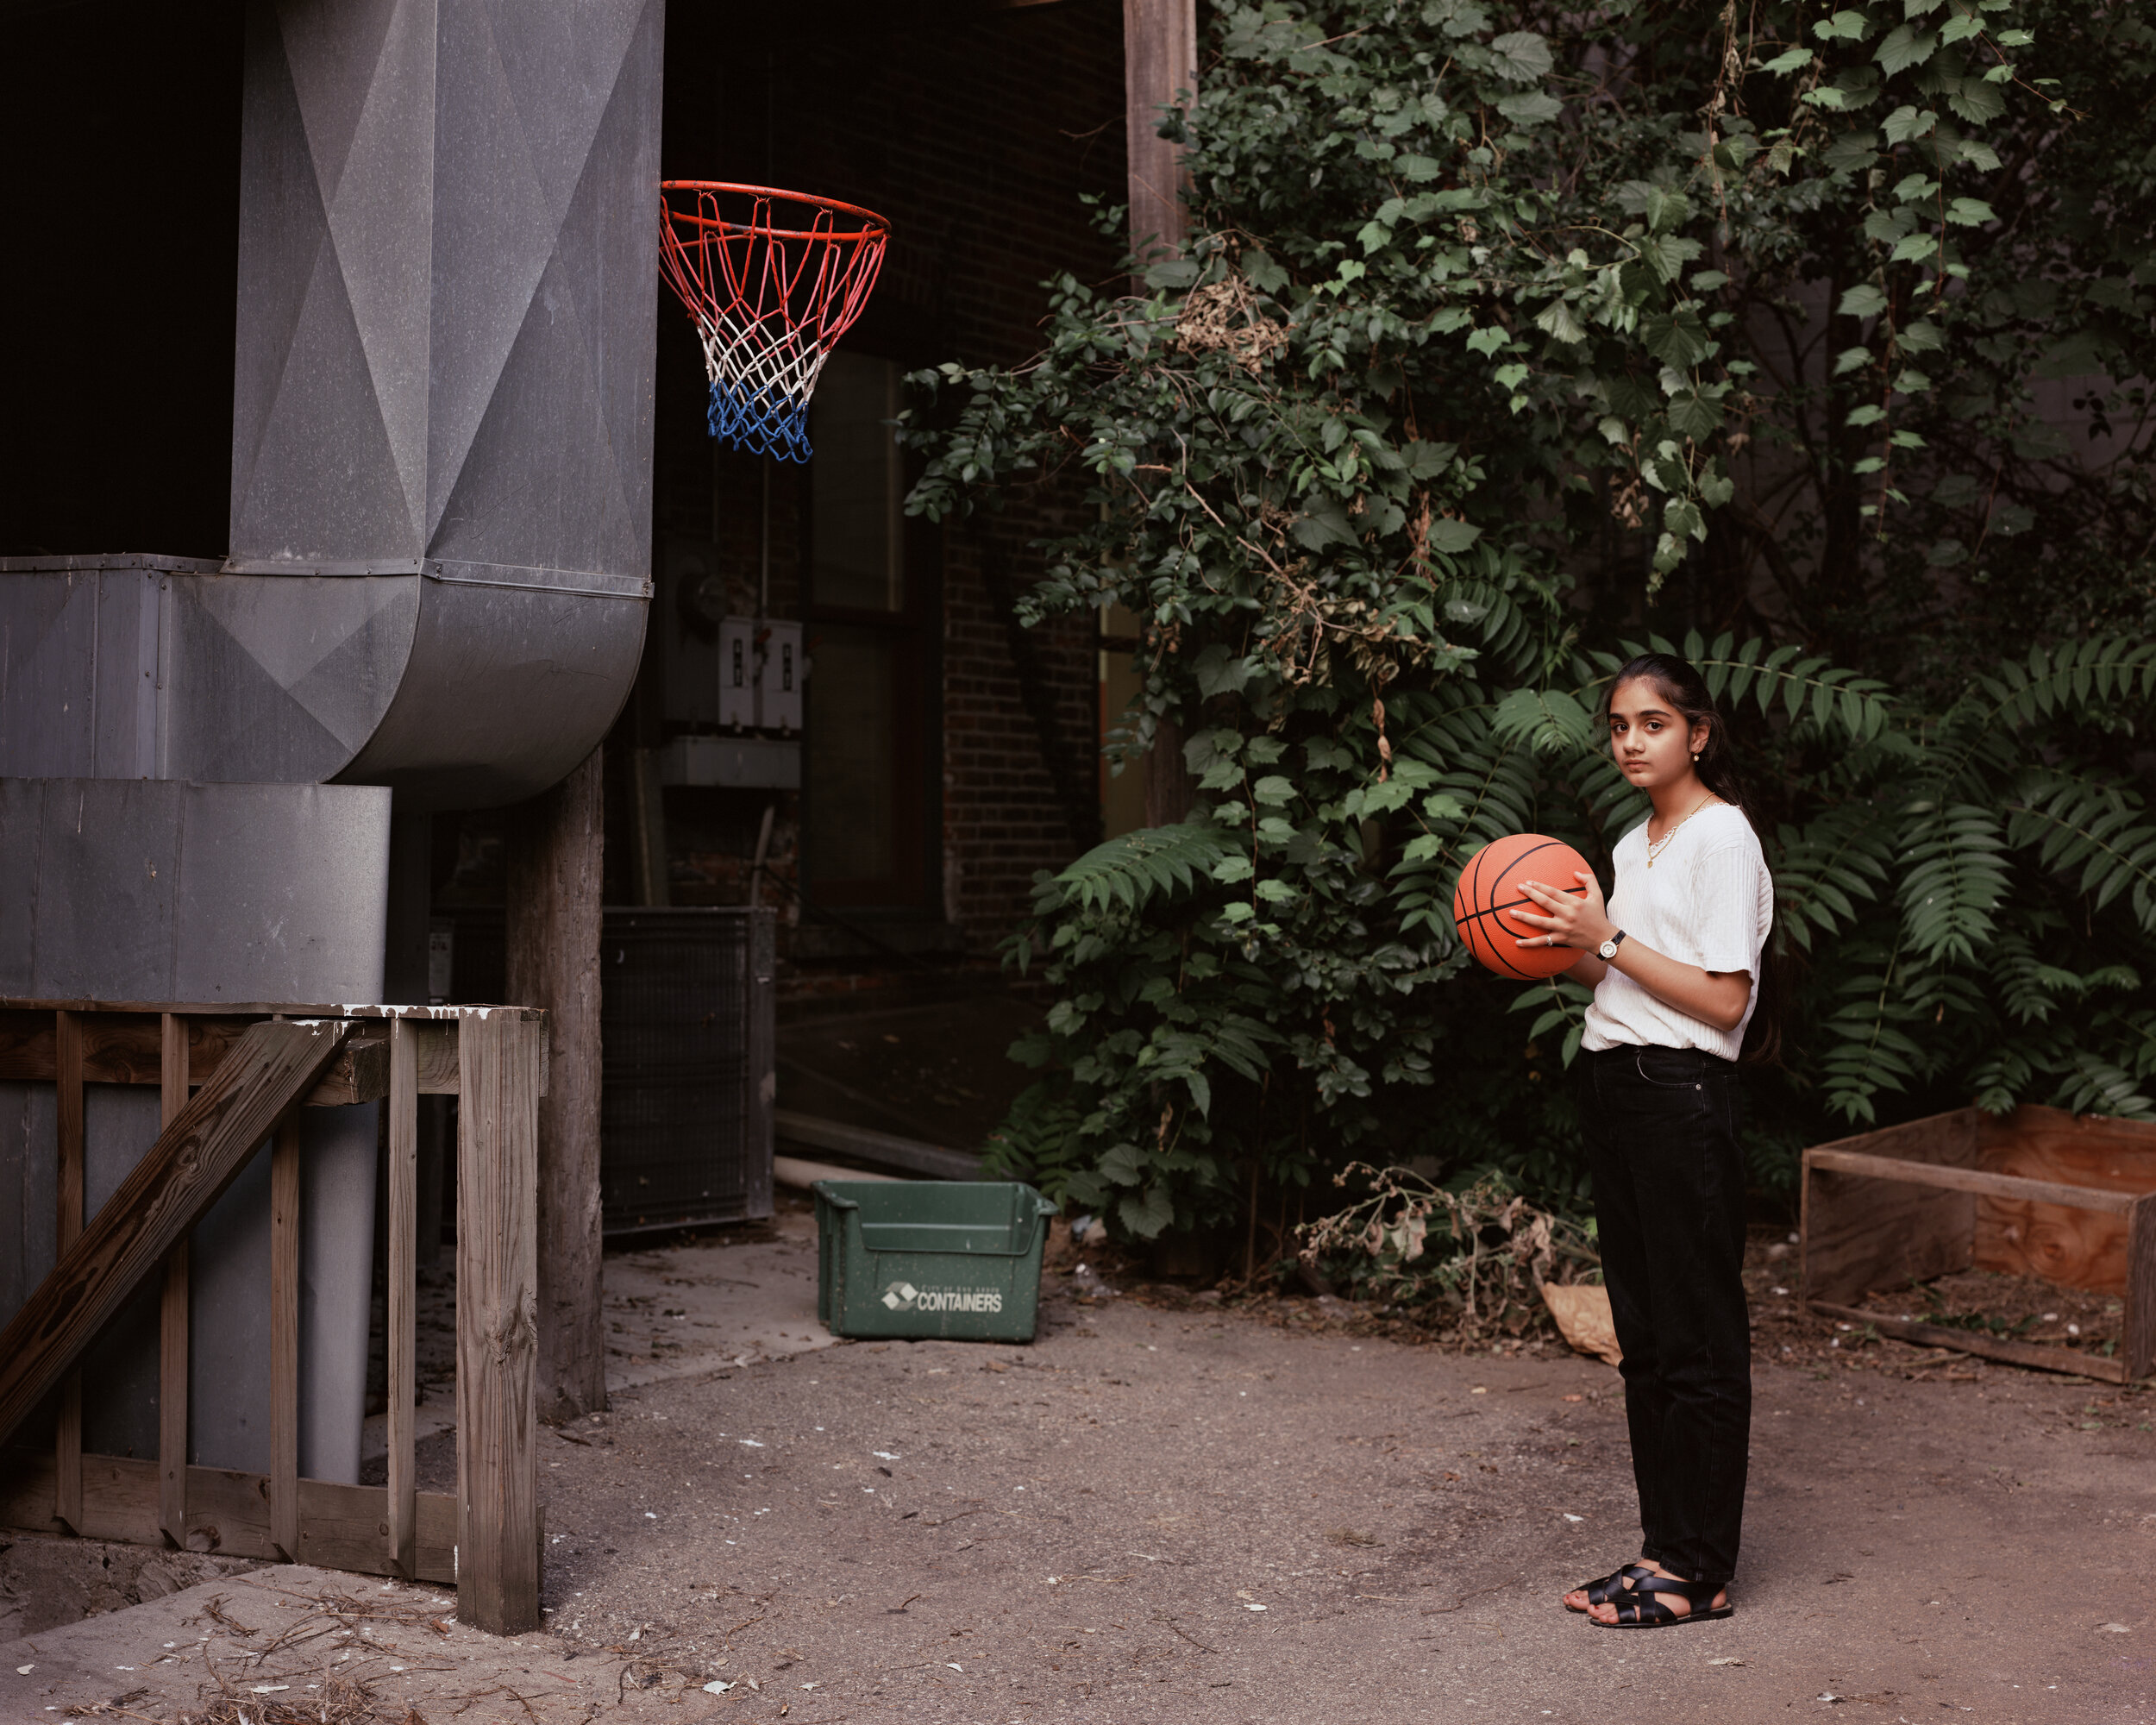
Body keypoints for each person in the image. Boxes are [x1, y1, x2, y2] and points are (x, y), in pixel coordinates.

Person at [1508, 652, 1776, 1629]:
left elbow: (1720, 999)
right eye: (1618, 724)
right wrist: (1542, 938)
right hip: (1614, 1083)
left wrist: (1607, 939)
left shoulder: (1721, 838)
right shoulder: (1631, 844)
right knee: (1646, 1341)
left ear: (1696, 734)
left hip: (1683, 1094)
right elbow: (1619, 982)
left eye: (1652, 723)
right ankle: (1663, 1548)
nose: (1630, 740)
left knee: (1699, 1336)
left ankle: (1700, 1570)